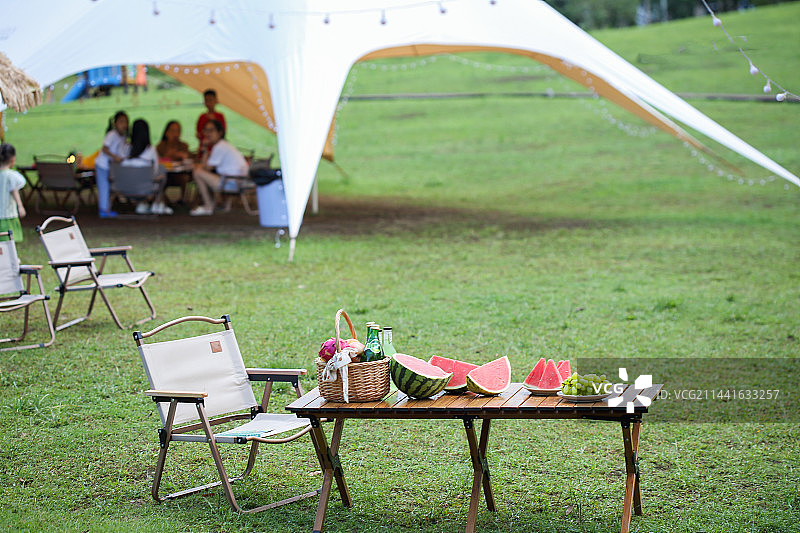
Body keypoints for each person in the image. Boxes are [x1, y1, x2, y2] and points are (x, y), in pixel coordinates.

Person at [190, 119, 248, 216]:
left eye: (211, 130)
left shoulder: (220, 146)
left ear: (220, 132)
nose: (208, 134)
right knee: (199, 171)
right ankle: (211, 204)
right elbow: (206, 166)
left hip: (233, 182)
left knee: (197, 172)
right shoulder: (223, 145)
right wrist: (205, 148)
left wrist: (194, 165)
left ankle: (208, 205)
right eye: (206, 130)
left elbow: (206, 168)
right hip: (238, 181)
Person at [123, 119, 172, 215]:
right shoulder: (151, 149)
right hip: (146, 190)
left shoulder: (125, 148)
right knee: (161, 171)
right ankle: (158, 203)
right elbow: (156, 170)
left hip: (126, 189)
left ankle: (144, 204)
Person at [94, 111, 130, 218]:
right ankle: (103, 210)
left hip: (111, 166)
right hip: (103, 165)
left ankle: (107, 208)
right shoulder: (111, 135)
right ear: (115, 123)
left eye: (126, 122)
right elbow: (105, 149)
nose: (124, 125)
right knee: (104, 186)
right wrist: (115, 157)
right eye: (121, 122)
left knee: (109, 187)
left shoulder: (123, 137)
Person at [0, 143, 26, 241]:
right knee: (9, 243)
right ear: (12, 159)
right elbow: (14, 190)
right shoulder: (11, 176)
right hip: (8, 215)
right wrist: (20, 206)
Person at [195, 89, 226, 155]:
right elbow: (199, 133)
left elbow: (223, 133)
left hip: (216, 150)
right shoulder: (202, 117)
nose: (209, 103)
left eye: (211, 100)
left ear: (216, 101)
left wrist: (214, 120)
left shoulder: (220, 116)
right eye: (206, 100)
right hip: (204, 149)